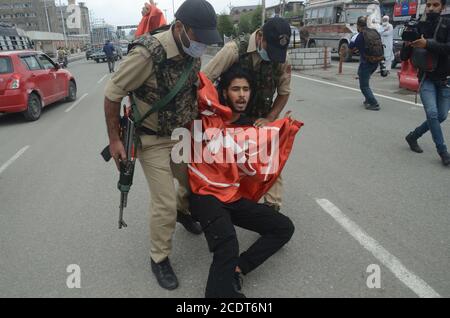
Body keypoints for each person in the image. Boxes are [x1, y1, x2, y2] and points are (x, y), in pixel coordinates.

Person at [103, 0, 221, 291]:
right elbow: (112, 93)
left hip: (182, 134)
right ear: (180, 28)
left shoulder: (193, 47)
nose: (202, 47)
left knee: (194, 184)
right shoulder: (147, 55)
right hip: (152, 139)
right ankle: (159, 258)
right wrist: (115, 139)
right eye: (199, 38)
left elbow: (192, 90)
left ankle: (183, 212)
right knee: (164, 201)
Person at [189, 66, 297, 298]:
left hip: (232, 196)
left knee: (284, 228)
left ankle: (238, 268)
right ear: (225, 92)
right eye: (235, 89)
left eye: (246, 89)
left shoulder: (252, 125)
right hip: (205, 195)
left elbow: (262, 162)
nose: (241, 95)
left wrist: (279, 131)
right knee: (227, 245)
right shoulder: (207, 118)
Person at [203, 17, 293, 212]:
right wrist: (216, 115)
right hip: (228, 117)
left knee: (270, 156)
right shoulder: (233, 50)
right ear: (260, 37)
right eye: (269, 51)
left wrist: (270, 119)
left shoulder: (281, 56)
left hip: (259, 116)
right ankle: (186, 206)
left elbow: (284, 93)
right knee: (212, 162)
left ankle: (272, 207)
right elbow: (205, 81)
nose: (273, 56)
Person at [402, 0, 450, 166]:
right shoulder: (420, 25)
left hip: (445, 80)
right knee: (433, 114)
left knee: (442, 115)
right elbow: (403, 57)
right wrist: (408, 44)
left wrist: (427, 43)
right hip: (426, 78)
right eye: (428, 4)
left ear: (443, 7)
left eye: (435, 5)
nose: (430, 8)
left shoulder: (448, 23)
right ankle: (443, 152)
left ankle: (413, 136)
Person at [348, 16, 383, 111]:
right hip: (376, 62)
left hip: (366, 63)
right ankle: (368, 100)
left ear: (358, 25)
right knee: (366, 81)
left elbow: (350, 48)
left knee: (364, 85)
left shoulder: (358, 36)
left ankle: (374, 103)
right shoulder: (374, 32)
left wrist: (355, 49)